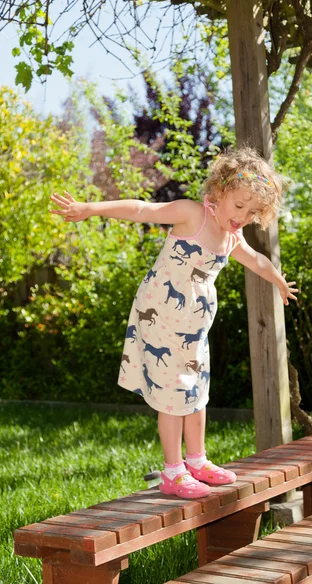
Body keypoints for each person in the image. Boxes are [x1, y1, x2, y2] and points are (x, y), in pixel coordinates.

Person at [50, 146, 297, 500]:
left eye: (252, 210)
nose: (243, 215)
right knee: (172, 395)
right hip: (162, 317)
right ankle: (172, 472)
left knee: (195, 393)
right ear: (219, 190)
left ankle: (197, 462)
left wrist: (278, 281)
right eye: (239, 205)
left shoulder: (232, 237)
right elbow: (140, 209)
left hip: (194, 326)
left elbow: (257, 260)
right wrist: (90, 209)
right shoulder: (192, 214)